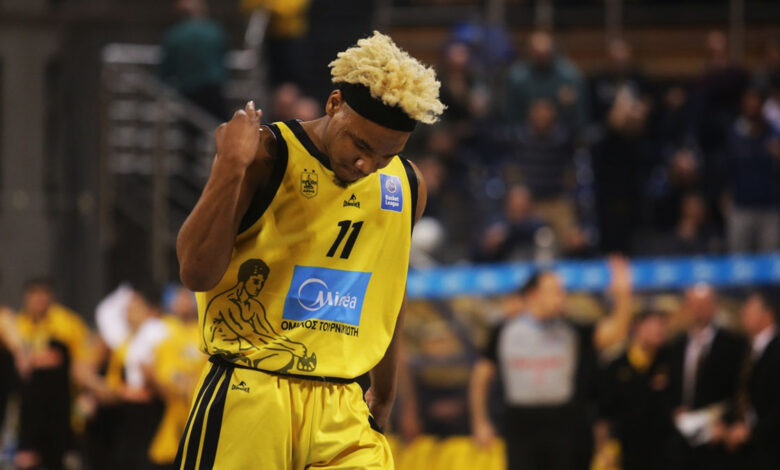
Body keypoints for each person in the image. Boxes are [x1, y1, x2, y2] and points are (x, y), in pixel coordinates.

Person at [175, 31, 441, 469]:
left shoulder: (407, 184)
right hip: (252, 390)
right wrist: (229, 168)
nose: (367, 165)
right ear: (334, 103)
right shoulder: (267, 154)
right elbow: (195, 273)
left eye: (385, 155)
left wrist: (385, 389)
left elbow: (390, 290)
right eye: (360, 145)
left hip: (343, 403)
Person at [469, 258, 634, 470]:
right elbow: (481, 376)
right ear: (534, 295)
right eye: (555, 291)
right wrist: (480, 421)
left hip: (563, 423)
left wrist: (623, 295)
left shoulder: (570, 330)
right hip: (520, 423)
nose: (562, 296)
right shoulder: (505, 331)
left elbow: (615, 332)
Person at [659, 283, 748, 470]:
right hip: (680, 442)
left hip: (717, 441)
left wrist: (728, 423)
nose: (699, 310)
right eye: (694, 304)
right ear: (686, 307)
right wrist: (673, 411)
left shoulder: (733, 345)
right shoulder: (675, 346)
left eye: (704, 304)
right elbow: (666, 387)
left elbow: (740, 390)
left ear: (714, 306)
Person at [12, 278, 92, 470]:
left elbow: (84, 362)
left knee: (58, 458)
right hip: (28, 411)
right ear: (26, 298)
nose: (39, 300)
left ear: (52, 297)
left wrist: (87, 395)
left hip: (61, 408)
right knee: (27, 459)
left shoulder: (67, 324)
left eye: (44, 294)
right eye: (34, 294)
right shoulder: (17, 325)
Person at [597, 310, 672, 470]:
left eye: (662, 325)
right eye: (654, 325)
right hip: (624, 449)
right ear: (638, 327)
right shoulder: (616, 365)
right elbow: (603, 413)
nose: (659, 330)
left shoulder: (668, 361)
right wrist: (603, 447)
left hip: (662, 450)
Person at [718, 290, 780, 470]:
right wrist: (727, 423)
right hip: (746, 450)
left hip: (771, 449)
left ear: (767, 314)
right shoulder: (746, 348)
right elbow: (742, 393)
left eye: (749, 310)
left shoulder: (776, 349)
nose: (743, 314)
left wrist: (751, 432)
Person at [159, 0, 228, 120]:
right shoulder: (213, 30)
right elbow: (222, 54)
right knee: (216, 122)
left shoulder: (174, 35)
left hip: (188, 87)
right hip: (213, 86)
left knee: (193, 123)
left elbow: (166, 67)